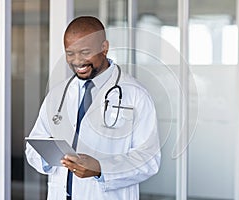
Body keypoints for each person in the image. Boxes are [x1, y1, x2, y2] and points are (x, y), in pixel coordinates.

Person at [25, 16, 161, 200]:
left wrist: (100, 168)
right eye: (70, 53)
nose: (77, 61)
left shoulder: (135, 94)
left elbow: (149, 159)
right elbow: (33, 145)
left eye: (85, 52)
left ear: (104, 48)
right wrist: (49, 157)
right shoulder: (57, 95)